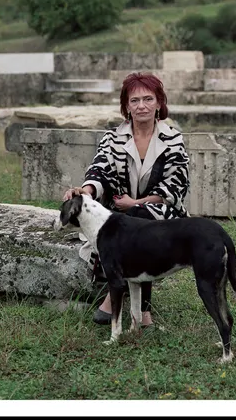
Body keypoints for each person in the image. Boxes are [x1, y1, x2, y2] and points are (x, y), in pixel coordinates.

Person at [62, 71, 191, 327]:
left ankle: (114, 294)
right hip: (117, 214)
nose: (141, 105)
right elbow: (99, 170)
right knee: (128, 223)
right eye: (134, 101)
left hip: (159, 213)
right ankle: (142, 315)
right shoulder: (112, 138)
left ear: (159, 103)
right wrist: (85, 191)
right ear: (126, 107)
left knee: (138, 220)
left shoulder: (173, 138)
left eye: (148, 99)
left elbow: (176, 186)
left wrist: (136, 203)